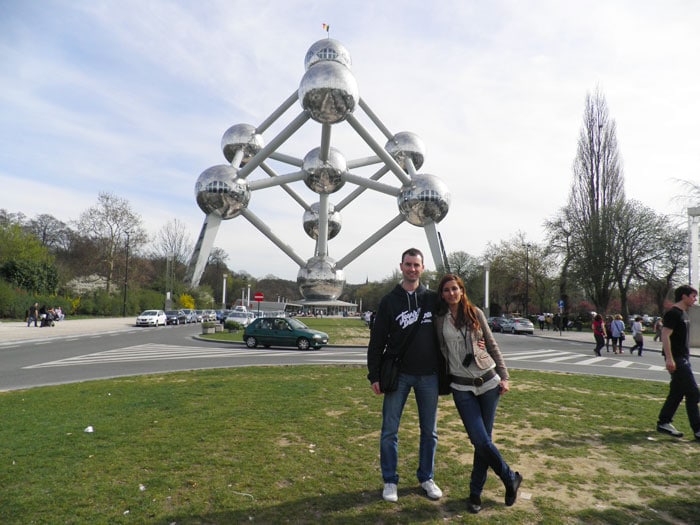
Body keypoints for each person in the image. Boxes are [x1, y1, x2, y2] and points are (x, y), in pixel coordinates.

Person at [434, 273, 522, 513]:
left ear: (462, 290)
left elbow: (492, 344)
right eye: (446, 290)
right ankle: (509, 477)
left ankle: (475, 494)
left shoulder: (476, 314)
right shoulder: (439, 320)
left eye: (455, 289)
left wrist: (504, 376)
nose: (451, 293)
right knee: (480, 440)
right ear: (441, 294)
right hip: (461, 386)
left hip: (488, 383)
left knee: (484, 443)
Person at [366, 248, 443, 503]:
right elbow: (376, 341)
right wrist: (374, 375)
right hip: (398, 374)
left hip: (429, 375)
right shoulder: (389, 301)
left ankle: (426, 477)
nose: (412, 269)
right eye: (408, 264)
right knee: (390, 430)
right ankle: (390, 480)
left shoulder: (432, 299)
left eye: (416, 265)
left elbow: (455, 319)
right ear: (401, 267)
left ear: (422, 268)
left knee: (429, 432)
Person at [656, 285, 700, 440]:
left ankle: (664, 422)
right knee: (693, 393)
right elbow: (665, 335)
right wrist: (669, 358)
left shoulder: (684, 314)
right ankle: (698, 429)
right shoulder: (674, 313)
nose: (695, 299)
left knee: (677, 393)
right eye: (693, 296)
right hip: (677, 359)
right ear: (684, 296)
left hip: (683, 357)